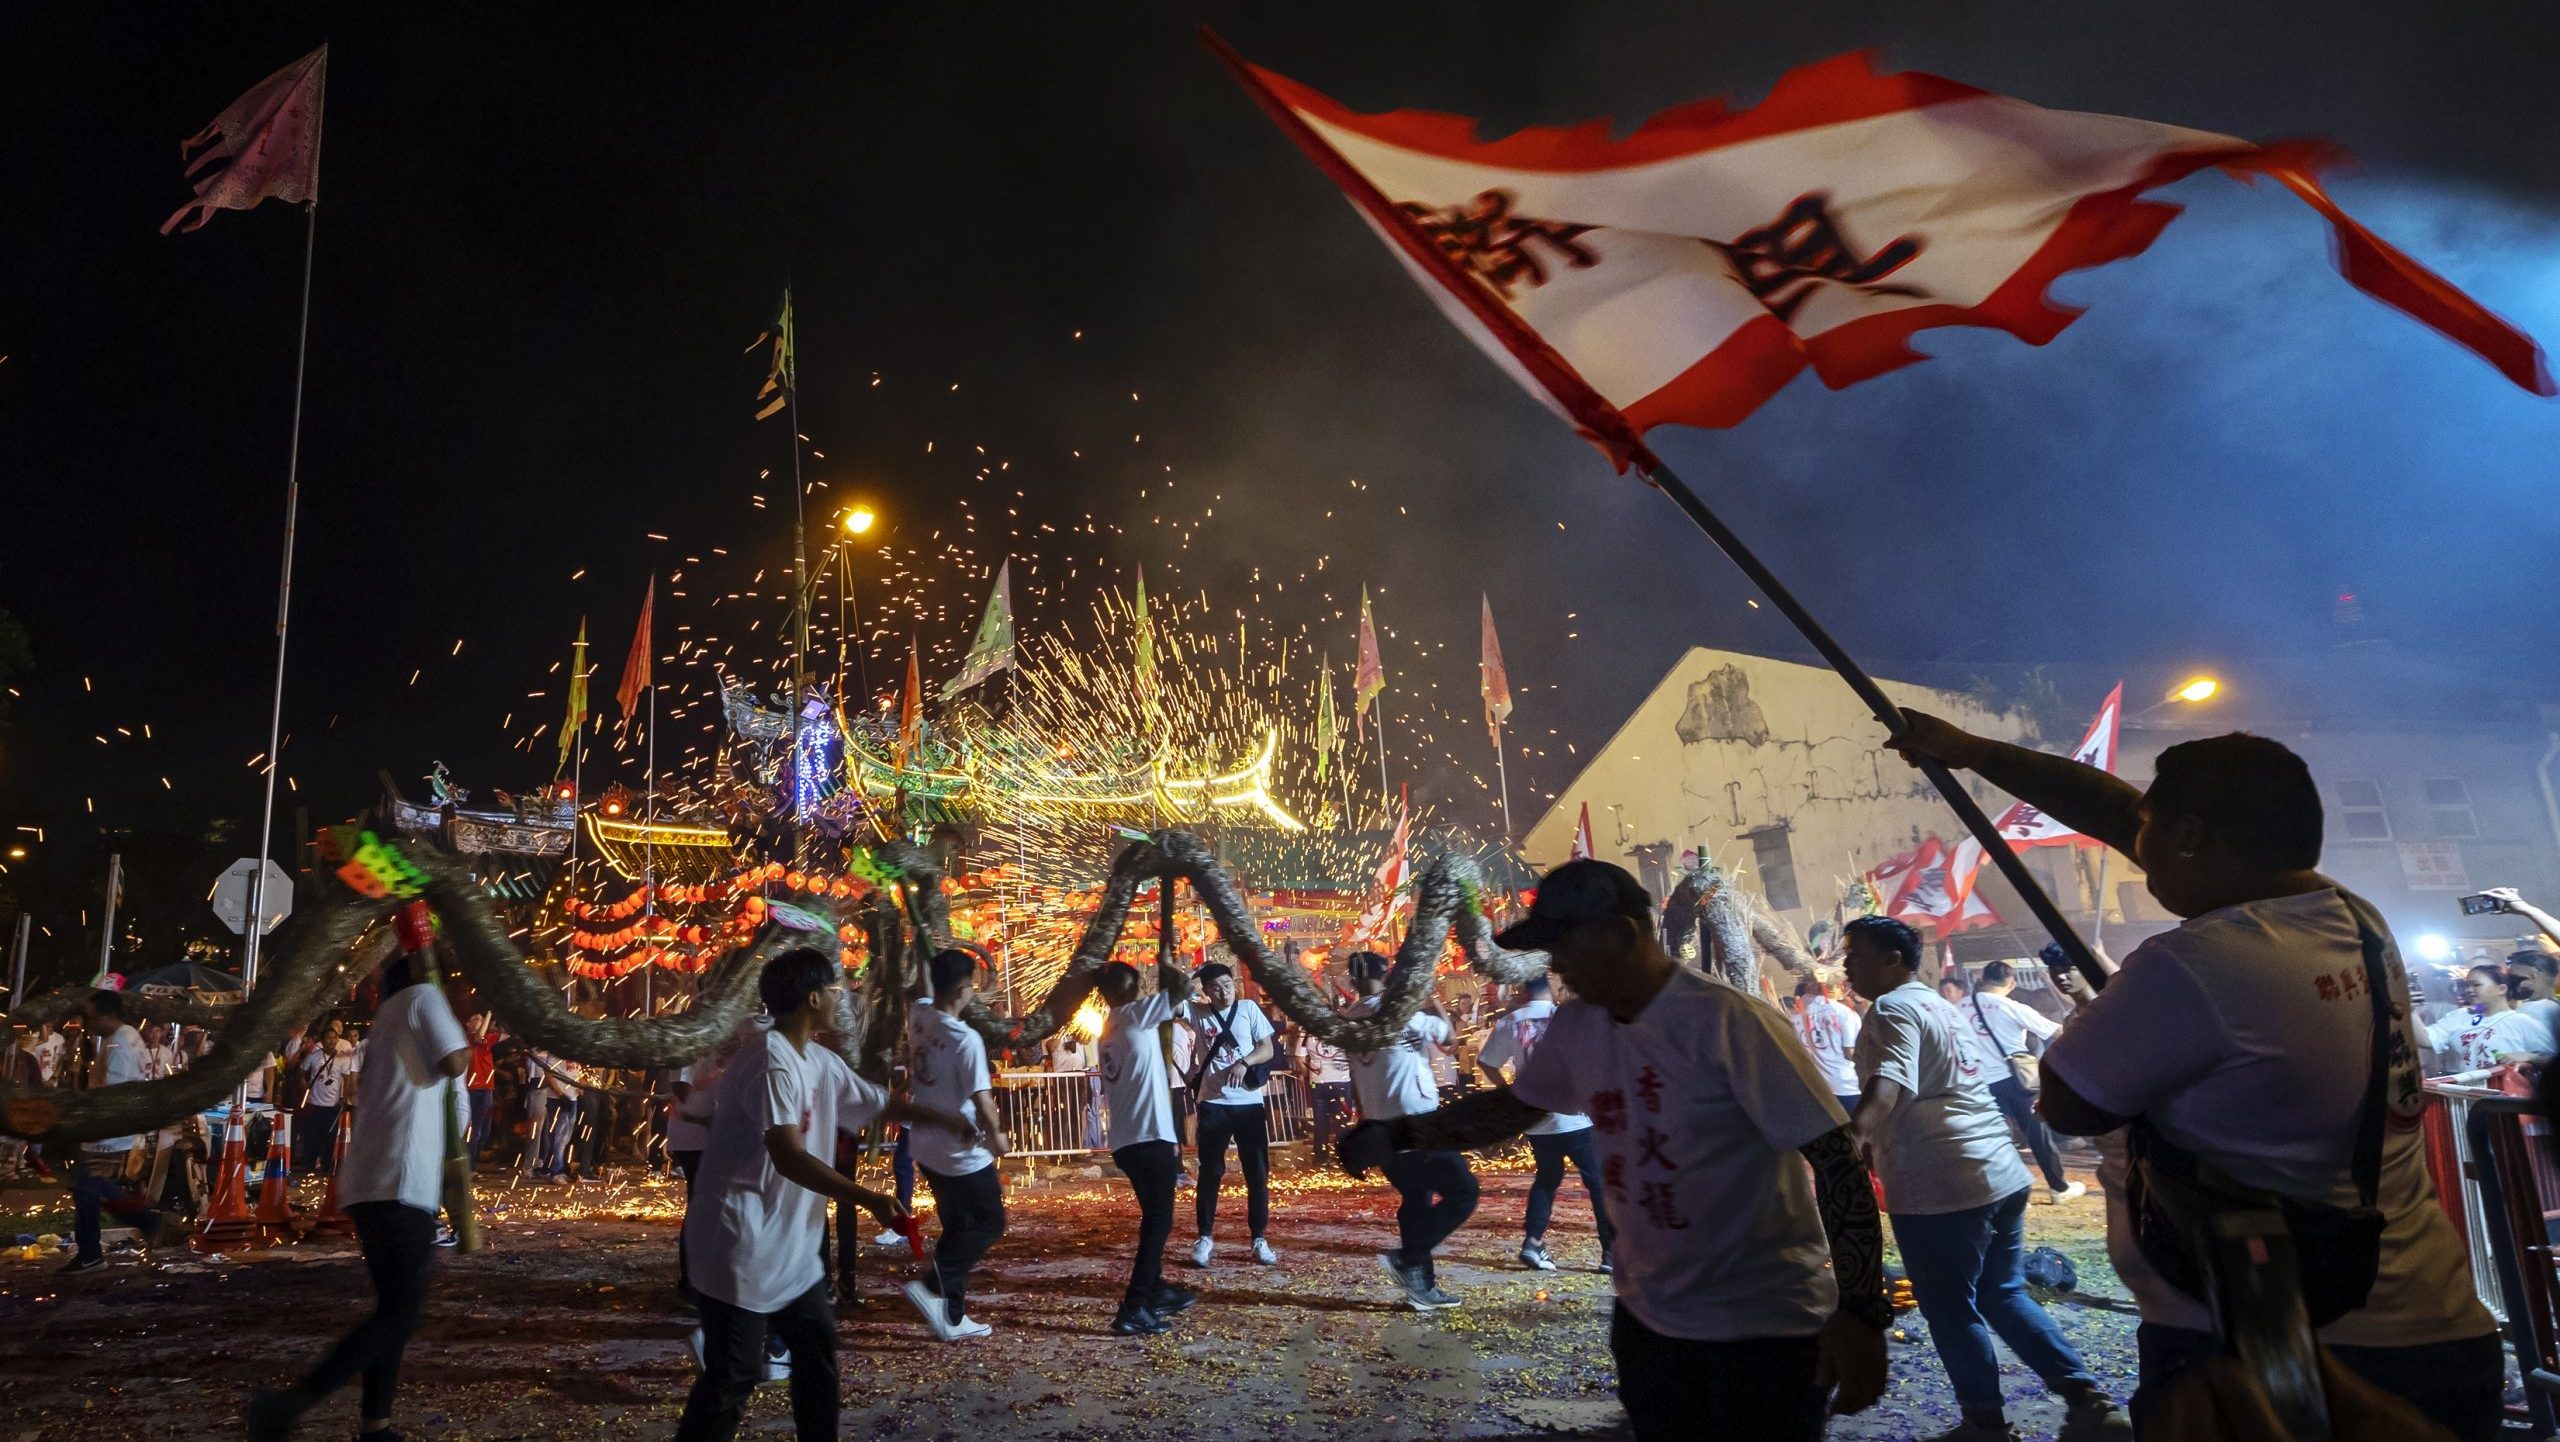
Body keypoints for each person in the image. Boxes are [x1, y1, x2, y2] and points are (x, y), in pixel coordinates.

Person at [1890, 713, 2501, 1439]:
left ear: (2188, 835)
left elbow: (2068, 1103)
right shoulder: (2345, 913)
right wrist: (1972, 753)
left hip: (2268, 1349)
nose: (2137, 853)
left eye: (2151, 833)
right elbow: (2119, 810)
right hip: (2426, 1315)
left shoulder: (2197, 961)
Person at [1342, 861, 1889, 1441]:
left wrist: (1859, 1312)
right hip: (1646, 1319)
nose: (1556, 964)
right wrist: (1397, 1133)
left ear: (1624, 934)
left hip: (1761, 1326)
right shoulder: (1578, 1025)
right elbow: (1512, 1109)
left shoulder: (1727, 1021)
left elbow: (1837, 1162)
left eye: (1565, 946)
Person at [1843, 916, 2129, 1442]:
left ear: (1892, 960)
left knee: (1950, 1309)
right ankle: (2089, 1400)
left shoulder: (1891, 1009)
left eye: (1856, 953)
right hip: (1998, 1169)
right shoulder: (1939, 1005)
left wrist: (1849, 1142)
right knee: (2003, 1292)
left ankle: (1985, 1425)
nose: (1846, 964)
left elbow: (1889, 1085)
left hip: (1941, 1180)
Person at [671, 946, 958, 1441]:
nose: (840, 996)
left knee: (817, 1357)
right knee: (732, 1377)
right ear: (811, 999)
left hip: (791, 1248)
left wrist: (944, 1119)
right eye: (833, 989)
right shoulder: (769, 1061)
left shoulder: (817, 1059)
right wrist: (868, 1198)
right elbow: (787, 1154)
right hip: (740, 1241)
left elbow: (876, 1102)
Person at [247, 947, 470, 1441]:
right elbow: (455, 1060)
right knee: (401, 1312)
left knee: (393, 1309)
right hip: (398, 1178)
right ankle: (289, 1404)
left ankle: (376, 1425)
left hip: (374, 1181)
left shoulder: (390, 1012)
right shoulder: (424, 997)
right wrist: (461, 1029)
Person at [1339, 951, 1473, 1310]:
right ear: (1387, 976)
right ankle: (1410, 1258)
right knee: (1464, 1192)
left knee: (1415, 1199)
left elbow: (1356, 1078)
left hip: (1381, 1129)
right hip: (1418, 1123)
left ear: (1353, 981)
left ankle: (1421, 1288)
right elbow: (1449, 1040)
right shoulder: (1401, 1013)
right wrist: (1432, 1000)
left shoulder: (1349, 1021)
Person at [901, 948, 1012, 1341]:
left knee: (958, 1227)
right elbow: (983, 1100)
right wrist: (998, 1136)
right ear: (967, 989)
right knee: (989, 1222)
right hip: (959, 1149)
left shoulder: (919, 1013)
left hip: (926, 1145)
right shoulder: (966, 1040)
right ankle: (932, 1285)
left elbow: (919, 993)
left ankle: (951, 1315)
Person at [1094, 959, 1203, 1335]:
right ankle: (1133, 1306)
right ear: (1131, 990)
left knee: (1154, 1220)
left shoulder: (1109, 1027)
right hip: (1148, 1138)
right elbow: (1185, 990)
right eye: (1139, 986)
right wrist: (1171, 967)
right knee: (1158, 1223)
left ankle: (1154, 1289)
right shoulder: (1134, 1015)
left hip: (1130, 1140)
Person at [1477, 977, 1615, 1273]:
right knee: (1598, 1182)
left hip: (1536, 1115)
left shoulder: (1510, 1021)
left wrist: (1509, 1090)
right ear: (1548, 989)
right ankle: (1610, 1254)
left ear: (1523, 990)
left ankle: (1533, 1242)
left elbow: (1487, 1062)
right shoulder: (1566, 1017)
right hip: (1575, 1114)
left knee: (1547, 1178)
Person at [61, 991, 183, 1272]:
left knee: (89, 1186)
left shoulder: (120, 1047)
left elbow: (115, 1095)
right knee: (86, 1189)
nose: (89, 1024)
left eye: (93, 1018)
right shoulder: (126, 1037)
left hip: (107, 1133)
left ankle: (143, 1221)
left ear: (110, 1015)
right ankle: (93, 1250)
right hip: (106, 1131)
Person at [1960, 961, 2085, 1204]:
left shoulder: (1958, 1007)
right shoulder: (2010, 1006)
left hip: (1976, 1082)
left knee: (1992, 1137)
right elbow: (2056, 1032)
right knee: (2037, 1132)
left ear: (1982, 979)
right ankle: (2058, 1188)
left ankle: (2000, 1190)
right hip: (2016, 1081)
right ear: (2011, 983)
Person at [1183, 962, 1280, 1268]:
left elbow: (1267, 1049)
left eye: (1227, 984)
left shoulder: (1249, 1009)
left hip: (1249, 1103)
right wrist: (1191, 977)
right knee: (1210, 1172)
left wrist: (1245, 1062)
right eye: (1215, 987)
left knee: (1257, 1173)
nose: (1223, 992)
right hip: (1213, 1103)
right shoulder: (1197, 1012)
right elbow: (1170, 1002)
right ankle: (1205, 1237)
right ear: (1206, 991)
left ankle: (1259, 1238)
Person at [2423, 964, 2545, 1072]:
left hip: (2505, 1095)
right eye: (2467, 985)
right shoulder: (2459, 1016)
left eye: (2476, 985)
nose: (2469, 990)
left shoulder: (2522, 1022)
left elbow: (2553, 1060)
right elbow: (2426, 1040)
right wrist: (2409, 1010)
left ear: (2501, 989)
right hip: (2463, 1092)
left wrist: (2530, 1056)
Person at [1792, 974, 1863, 1115]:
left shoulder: (1796, 1019)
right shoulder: (1844, 1013)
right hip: (1847, 1085)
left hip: (1818, 1087)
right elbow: (1850, 1053)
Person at [299, 1036, 354, 1176]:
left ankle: (327, 1165)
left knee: (330, 1137)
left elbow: (347, 1079)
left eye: (334, 1038)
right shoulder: (313, 1057)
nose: (331, 1041)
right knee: (312, 1135)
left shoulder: (342, 1058)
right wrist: (304, 1085)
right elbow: (302, 1072)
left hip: (332, 1104)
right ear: (322, 1041)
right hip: (314, 1103)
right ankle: (309, 1163)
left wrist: (344, 1097)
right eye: (328, 1038)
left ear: (337, 1041)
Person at [1301, 1028, 1352, 1158]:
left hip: (1318, 1082)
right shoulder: (1343, 1030)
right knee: (1342, 1121)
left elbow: (1299, 1057)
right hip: (1342, 1081)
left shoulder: (1308, 1032)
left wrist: (1308, 1073)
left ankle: (1321, 1157)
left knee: (1320, 1121)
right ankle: (1345, 1156)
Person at [461, 1014, 500, 1168]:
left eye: (481, 1019)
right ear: (468, 1024)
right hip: (473, 1088)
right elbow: (479, 1036)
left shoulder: (488, 1039)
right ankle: (469, 1167)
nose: (480, 1020)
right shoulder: (468, 1040)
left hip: (487, 1088)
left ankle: (473, 1161)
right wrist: (490, 1012)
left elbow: (507, 1035)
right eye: (476, 1018)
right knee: (474, 1130)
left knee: (485, 1129)